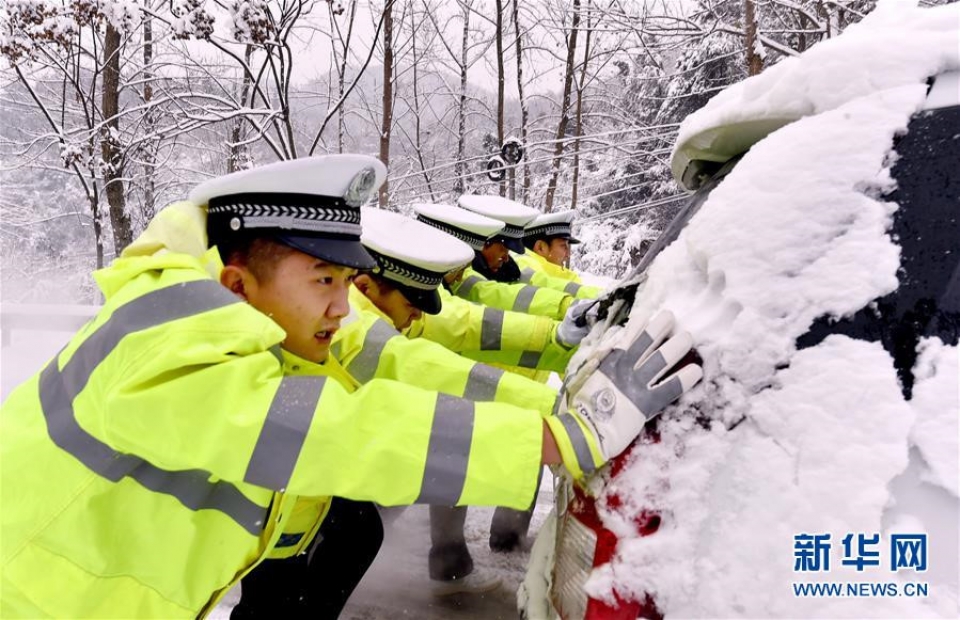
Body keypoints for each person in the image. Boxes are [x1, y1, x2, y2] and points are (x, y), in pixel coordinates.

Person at [0, 154, 702, 618]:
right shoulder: (168, 351)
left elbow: (403, 365)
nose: (346, 306)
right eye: (325, 281)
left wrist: (552, 404)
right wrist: (551, 439)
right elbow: (333, 429)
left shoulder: (272, 326)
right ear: (237, 283)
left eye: (347, 282)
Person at [414, 202, 575, 321]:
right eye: (504, 248)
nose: (506, 257)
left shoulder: (506, 270)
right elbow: (490, 296)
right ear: (485, 243)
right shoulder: (463, 279)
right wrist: (563, 308)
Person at [517, 209, 602, 299]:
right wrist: (601, 295)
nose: (568, 255)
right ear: (541, 248)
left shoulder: (558, 275)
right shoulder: (522, 266)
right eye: (563, 246)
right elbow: (545, 285)